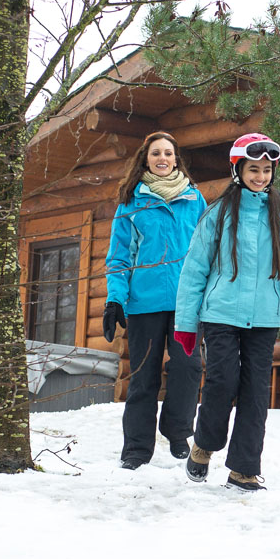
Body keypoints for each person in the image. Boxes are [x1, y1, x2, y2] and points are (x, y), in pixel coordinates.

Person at [173, 133, 280, 492]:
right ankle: (204, 445)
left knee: (256, 393)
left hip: (265, 317)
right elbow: (194, 270)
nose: (260, 176)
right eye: (253, 169)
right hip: (221, 313)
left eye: (266, 170)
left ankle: (244, 468)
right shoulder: (218, 214)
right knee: (222, 382)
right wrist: (186, 323)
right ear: (238, 169)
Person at [104, 131, 207, 470]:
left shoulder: (195, 200)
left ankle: (177, 431)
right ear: (145, 159)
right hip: (144, 303)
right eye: (155, 153)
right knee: (143, 376)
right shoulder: (130, 203)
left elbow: (209, 253)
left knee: (188, 367)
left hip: (186, 302)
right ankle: (136, 449)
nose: (162, 158)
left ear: (176, 159)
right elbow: (118, 257)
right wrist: (115, 299)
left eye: (168, 153)